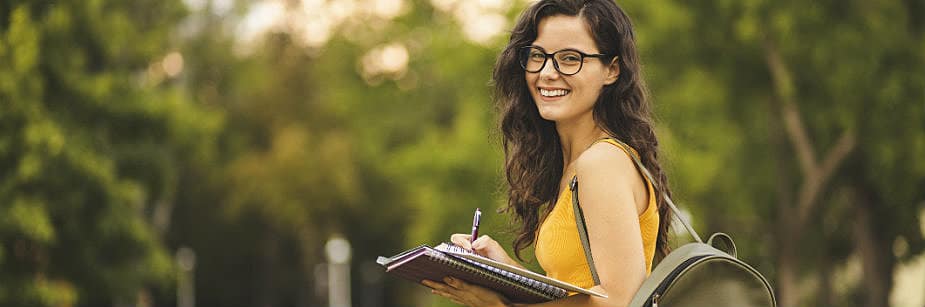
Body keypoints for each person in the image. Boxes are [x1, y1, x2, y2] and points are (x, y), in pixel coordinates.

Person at [420, 0, 673, 306]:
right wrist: (506, 272)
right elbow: (577, 292)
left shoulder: (601, 162)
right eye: (538, 56)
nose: (547, 72)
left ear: (612, 70)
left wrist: (502, 306)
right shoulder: (572, 164)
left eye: (570, 59)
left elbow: (619, 300)